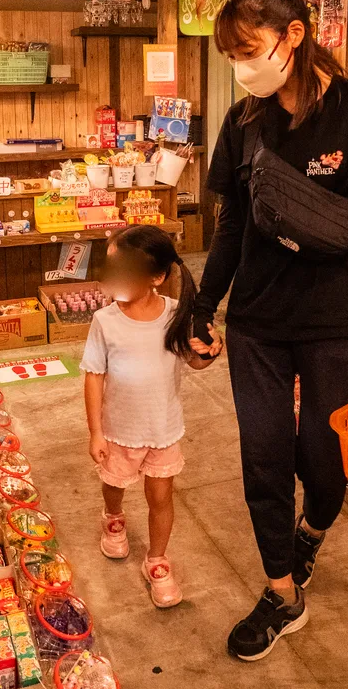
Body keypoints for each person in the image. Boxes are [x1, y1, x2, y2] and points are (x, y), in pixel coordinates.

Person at [192, 0, 348, 661]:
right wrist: (204, 305)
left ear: (293, 35)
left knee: (323, 461)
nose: (241, 66)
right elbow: (232, 225)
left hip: (341, 320)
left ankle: (311, 533)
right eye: (232, 55)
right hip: (260, 321)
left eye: (248, 50)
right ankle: (281, 592)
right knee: (263, 455)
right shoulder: (243, 121)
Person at [81, 225, 221, 608]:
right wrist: (96, 432)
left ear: (157, 277)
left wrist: (211, 351)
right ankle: (113, 516)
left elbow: (194, 361)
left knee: (161, 497)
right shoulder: (105, 320)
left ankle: (157, 560)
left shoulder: (178, 315)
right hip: (118, 430)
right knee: (114, 482)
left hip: (163, 429)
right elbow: (94, 376)